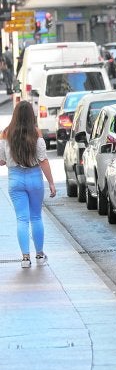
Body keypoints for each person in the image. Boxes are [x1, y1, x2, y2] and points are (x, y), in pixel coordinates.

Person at [0, 101, 56, 268]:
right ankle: (39, 255)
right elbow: (43, 160)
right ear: (31, 115)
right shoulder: (36, 134)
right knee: (36, 217)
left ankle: (25, 258)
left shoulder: (5, 134)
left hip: (15, 180)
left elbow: (2, 160)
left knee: (21, 219)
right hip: (34, 178)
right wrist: (51, 183)